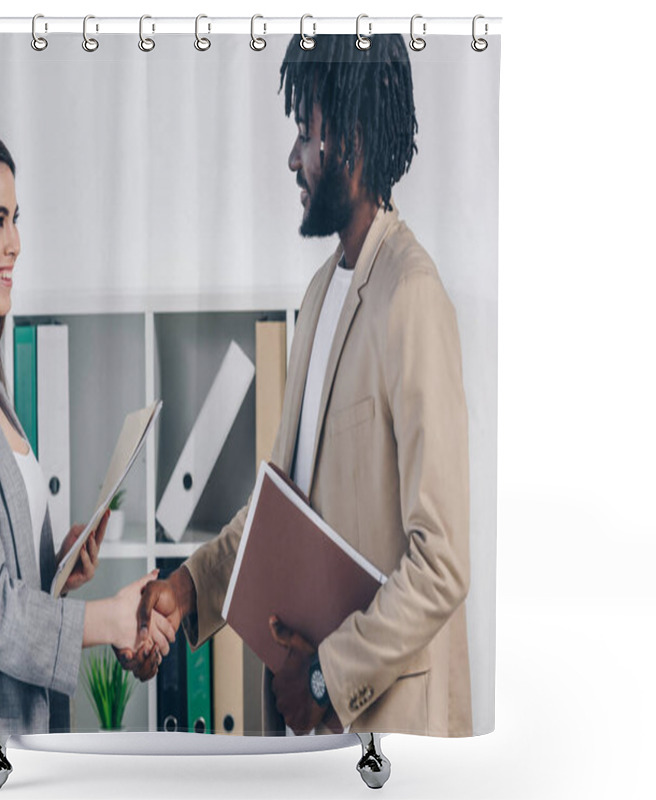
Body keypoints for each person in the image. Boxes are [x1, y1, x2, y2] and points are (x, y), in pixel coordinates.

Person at [122, 34, 473, 738]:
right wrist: (189, 587)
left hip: (394, 731)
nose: (292, 158)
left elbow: (442, 561)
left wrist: (322, 678)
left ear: (351, 138)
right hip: (324, 732)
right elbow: (280, 504)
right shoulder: (319, 295)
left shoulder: (413, 296)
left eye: (304, 134)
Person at [0, 123, 172, 734]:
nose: (15, 242)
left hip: (24, 737)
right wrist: (110, 621)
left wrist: (57, 572)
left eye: (16, 218)